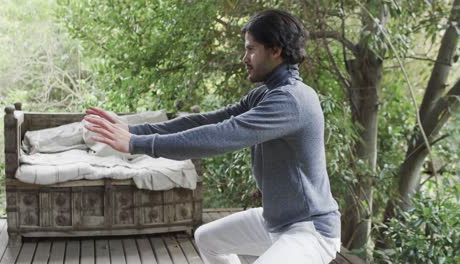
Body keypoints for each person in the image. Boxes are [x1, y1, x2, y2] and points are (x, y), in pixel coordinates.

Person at [84, 9, 340, 264]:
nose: (244, 58)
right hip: (275, 221)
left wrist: (136, 144)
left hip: (310, 231)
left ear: (275, 51)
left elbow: (221, 135)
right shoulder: (266, 94)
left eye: (251, 49)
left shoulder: (292, 100)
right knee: (208, 238)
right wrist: (133, 130)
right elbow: (208, 120)